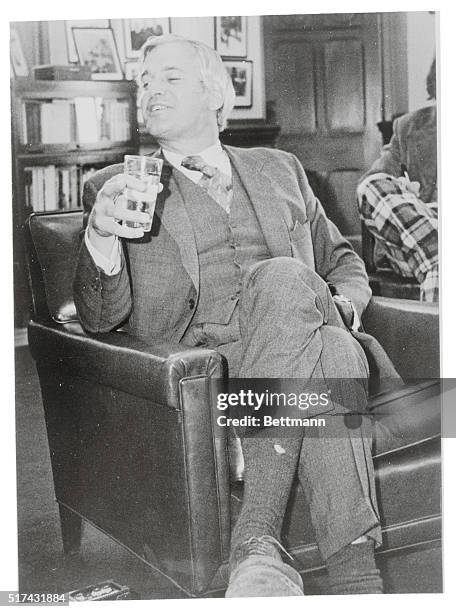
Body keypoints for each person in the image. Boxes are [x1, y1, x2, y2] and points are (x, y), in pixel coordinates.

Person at [73, 34, 397, 597]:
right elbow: (100, 320)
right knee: (335, 351)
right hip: (206, 377)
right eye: (144, 81)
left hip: (288, 333)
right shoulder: (115, 187)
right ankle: (355, 580)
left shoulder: (281, 168)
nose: (150, 89)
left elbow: (343, 260)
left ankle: (255, 543)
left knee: (286, 282)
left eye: (169, 77)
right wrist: (100, 234)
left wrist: (342, 303)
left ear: (214, 92)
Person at [357, 58, 438, 302]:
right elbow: (375, 185)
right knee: (371, 187)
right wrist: (405, 192)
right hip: (411, 243)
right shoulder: (409, 126)